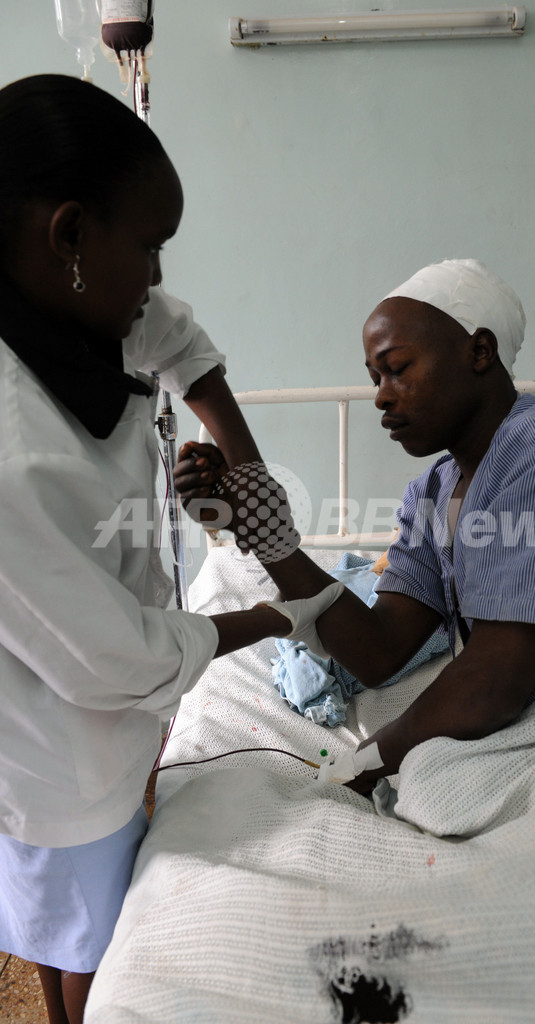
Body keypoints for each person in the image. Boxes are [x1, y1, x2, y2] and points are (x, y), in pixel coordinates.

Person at [0, 73, 342, 1024]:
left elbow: (179, 343)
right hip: (55, 743)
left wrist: (254, 493)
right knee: (83, 938)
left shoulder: (78, 306)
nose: (155, 276)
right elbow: (113, 659)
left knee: (79, 914)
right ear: (70, 234)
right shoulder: (10, 451)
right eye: (149, 246)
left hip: (106, 701)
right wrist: (273, 615)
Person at [176, 257, 535, 792]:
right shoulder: (433, 493)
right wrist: (258, 527)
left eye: (397, 367)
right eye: (375, 378)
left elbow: (493, 683)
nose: (381, 395)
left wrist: (359, 767)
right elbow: (378, 651)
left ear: (479, 351)